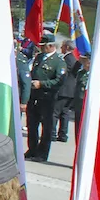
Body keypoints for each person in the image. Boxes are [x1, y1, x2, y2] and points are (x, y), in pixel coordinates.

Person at [25, 33, 65, 162]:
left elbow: (59, 80)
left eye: (44, 46)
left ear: (51, 46)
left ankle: (42, 153)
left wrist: (42, 84)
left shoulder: (58, 61)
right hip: (34, 97)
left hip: (47, 98)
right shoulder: (39, 57)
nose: (41, 48)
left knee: (46, 127)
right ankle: (32, 149)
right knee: (32, 124)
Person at [54, 41, 79, 143]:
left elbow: (65, 75)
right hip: (70, 91)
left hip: (64, 90)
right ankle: (63, 134)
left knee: (55, 113)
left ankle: (52, 133)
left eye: (62, 46)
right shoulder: (73, 58)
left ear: (67, 47)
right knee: (64, 113)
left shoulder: (68, 59)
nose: (61, 48)